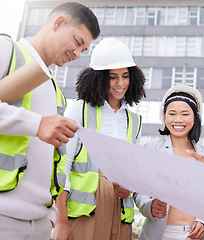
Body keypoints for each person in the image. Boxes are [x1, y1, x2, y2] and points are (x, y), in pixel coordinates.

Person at [0, 2, 99, 239]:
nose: (77, 54)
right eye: (78, 42)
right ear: (58, 23)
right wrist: (37, 124)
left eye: (83, 50)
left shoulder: (55, 90)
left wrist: (53, 215)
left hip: (41, 223)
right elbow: (37, 127)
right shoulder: (7, 50)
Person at [51, 38, 146, 240]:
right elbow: (62, 166)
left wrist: (130, 187)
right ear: (99, 78)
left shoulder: (134, 121)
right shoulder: (79, 110)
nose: (121, 84)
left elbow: (136, 173)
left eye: (125, 76)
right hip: (85, 214)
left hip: (120, 213)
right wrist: (60, 221)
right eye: (113, 77)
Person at [134, 85, 204, 240]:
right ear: (164, 117)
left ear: (194, 118)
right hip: (160, 234)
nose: (178, 120)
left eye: (185, 114)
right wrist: (150, 206)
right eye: (172, 114)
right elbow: (139, 192)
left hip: (196, 235)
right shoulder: (150, 150)